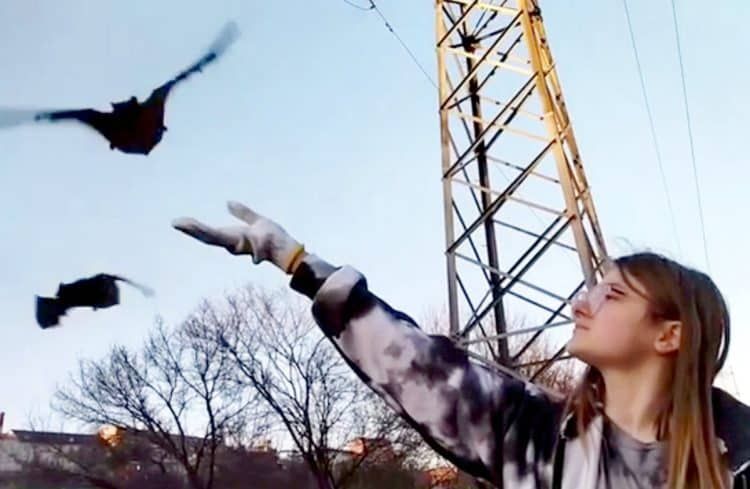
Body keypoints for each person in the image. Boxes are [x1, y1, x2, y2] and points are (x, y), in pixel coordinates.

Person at [172, 201, 750, 489]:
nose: (582, 304)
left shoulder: (742, 460)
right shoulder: (535, 440)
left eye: (613, 295)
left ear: (669, 335)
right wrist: (296, 262)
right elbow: (417, 365)